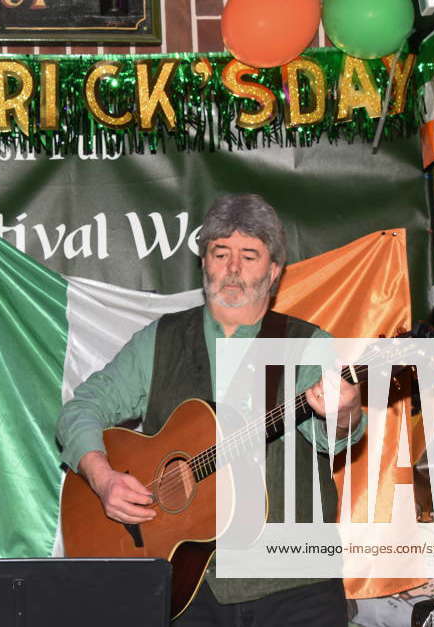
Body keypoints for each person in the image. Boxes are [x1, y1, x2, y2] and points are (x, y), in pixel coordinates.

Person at [56, 194, 365, 626]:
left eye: (249, 256)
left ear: (274, 271)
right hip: (186, 588)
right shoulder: (159, 341)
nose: (233, 269)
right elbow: (80, 410)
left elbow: (332, 436)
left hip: (295, 585)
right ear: (205, 262)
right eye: (221, 253)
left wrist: (345, 410)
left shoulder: (308, 344)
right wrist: (102, 477)